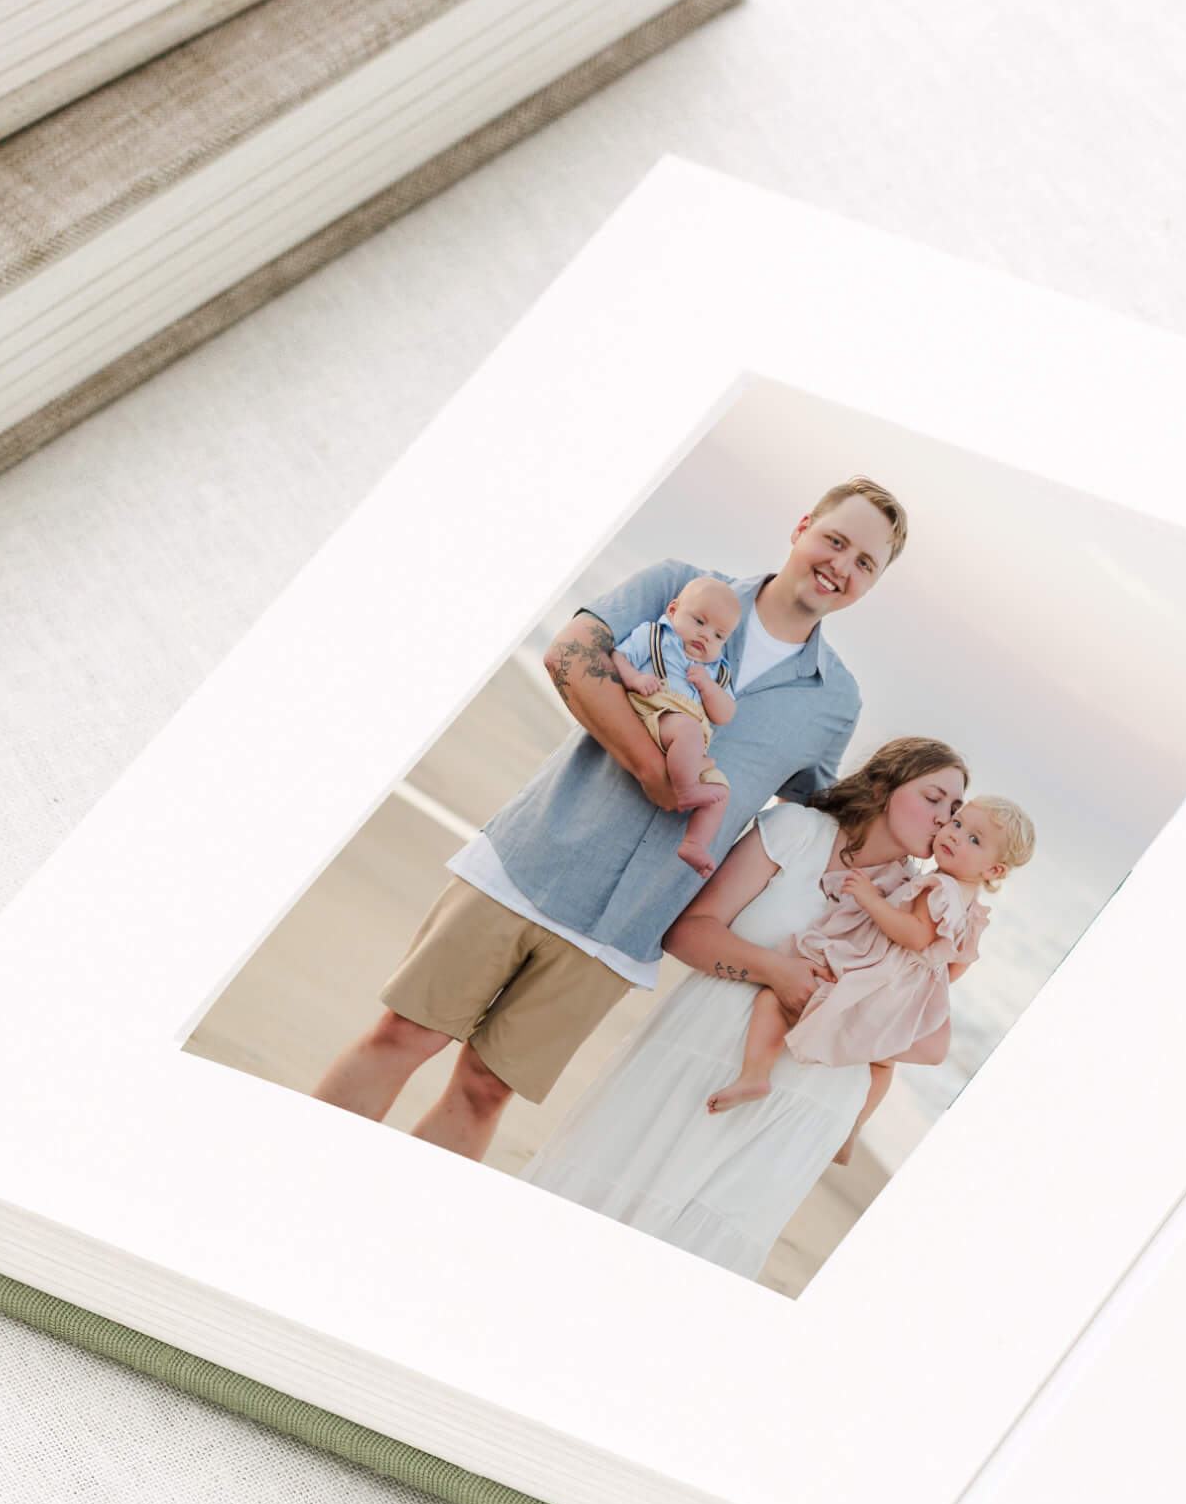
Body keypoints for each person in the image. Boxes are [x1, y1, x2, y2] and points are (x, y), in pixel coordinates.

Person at [312, 478, 907, 1160]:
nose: (842, 565)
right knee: (403, 1035)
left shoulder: (835, 701)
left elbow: (809, 829)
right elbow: (570, 655)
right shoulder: (679, 586)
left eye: (866, 562)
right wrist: (653, 772)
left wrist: (919, 888)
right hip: (531, 860)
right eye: (836, 540)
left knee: (484, 1089)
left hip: (626, 928)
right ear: (803, 527)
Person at [519, 740, 970, 1279]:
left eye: (956, 812)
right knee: (588, 1216)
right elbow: (688, 933)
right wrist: (776, 971)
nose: (945, 819)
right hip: (698, 1057)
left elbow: (929, 1042)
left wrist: (833, 1008)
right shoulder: (796, 831)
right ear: (881, 787)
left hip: (803, 1107)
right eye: (934, 798)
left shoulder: (922, 903)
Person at [710, 795, 1036, 1126]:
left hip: (876, 972)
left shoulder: (938, 886)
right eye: (957, 823)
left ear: (994, 869)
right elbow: (957, 965)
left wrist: (870, 900)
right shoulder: (972, 908)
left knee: (773, 1000)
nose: (954, 834)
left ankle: (755, 1075)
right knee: (882, 1062)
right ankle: (853, 1129)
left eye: (974, 839)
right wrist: (916, 982)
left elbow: (915, 935)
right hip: (903, 990)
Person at [607, 574, 741, 879]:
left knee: (721, 790)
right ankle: (685, 789)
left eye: (719, 636)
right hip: (656, 710)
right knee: (688, 731)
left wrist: (708, 688)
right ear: (672, 610)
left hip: (689, 737)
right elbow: (619, 657)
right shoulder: (655, 636)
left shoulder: (717, 671)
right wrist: (635, 678)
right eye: (699, 621)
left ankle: (694, 844)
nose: (706, 636)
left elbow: (725, 713)